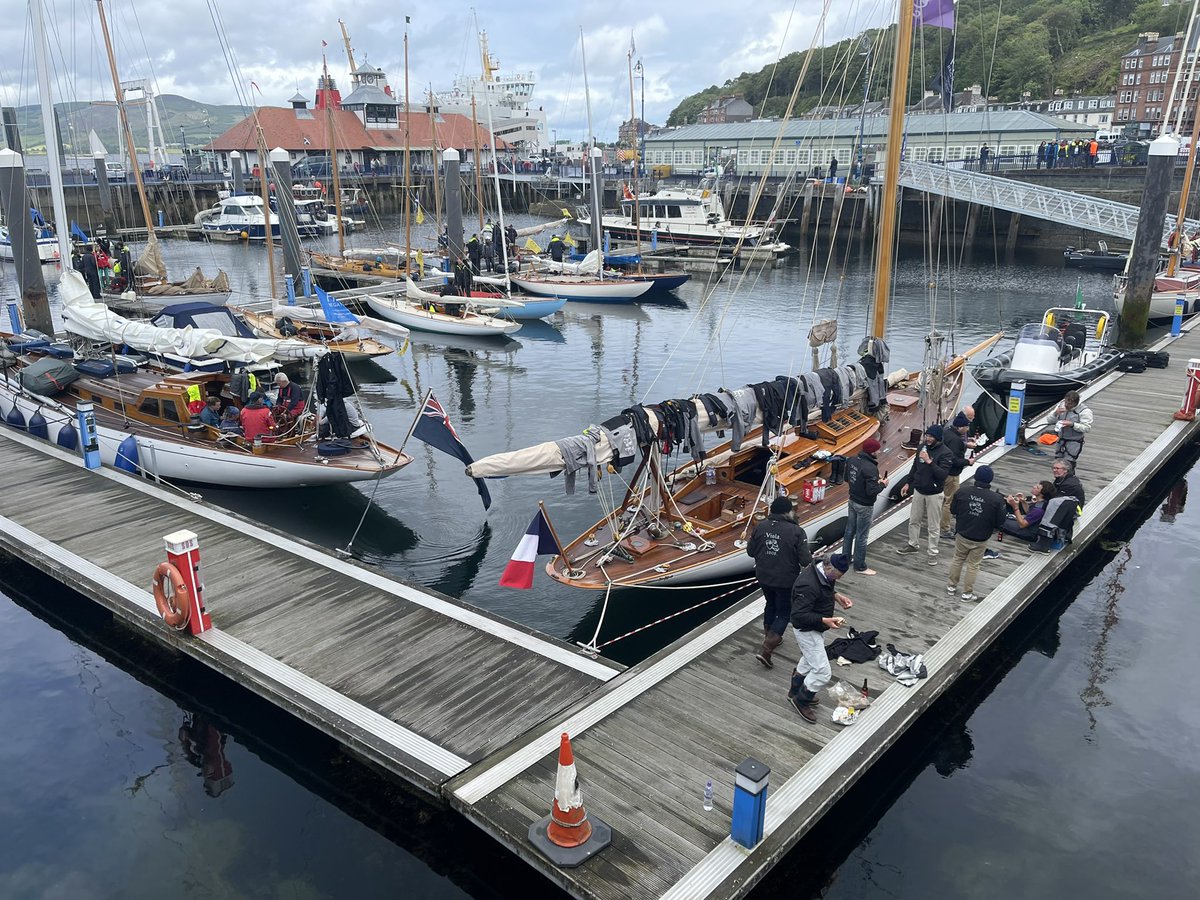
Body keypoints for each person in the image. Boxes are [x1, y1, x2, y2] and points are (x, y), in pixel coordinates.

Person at [786, 554, 853, 723]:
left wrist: (837, 596)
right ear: (829, 567)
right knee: (823, 672)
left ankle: (795, 690)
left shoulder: (822, 572)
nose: (838, 578)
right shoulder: (807, 584)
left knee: (809, 660)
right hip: (807, 630)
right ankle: (801, 700)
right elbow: (798, 615)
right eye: (838, 576)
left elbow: (827, 586)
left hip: (816, 628)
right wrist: (824, 620)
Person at [747, 497, 812, 668]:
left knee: (770, 604)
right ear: (788, 512)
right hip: (785, 579)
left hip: (764, 576)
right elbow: (805, 560)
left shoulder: (760, 526)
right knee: (784, 612)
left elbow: (750, 551)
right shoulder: (796, 531)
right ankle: (767, 649)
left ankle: (769, 634)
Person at [945, 466, 1007, 602]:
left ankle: (951, 586)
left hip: (962, 533)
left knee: (958, 559)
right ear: (990, 480)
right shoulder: (997, 499)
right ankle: (967, 593)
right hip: (981, 537)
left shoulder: (962, 491)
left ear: (975, 477)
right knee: (973, 565)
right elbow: (1000, 521)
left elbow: (953, 509)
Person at [898, 424, 954, 563]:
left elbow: (942, 475)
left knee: (933, 525)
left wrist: (929, 461)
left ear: (938, 438)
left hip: (934, 493)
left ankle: (932, 552)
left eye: (931, 436)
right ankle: (913, 544)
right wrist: (907, 483)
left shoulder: (946, 453)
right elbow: (915, 467)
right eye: (927, 436)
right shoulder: (921, 448)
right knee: (914, 520)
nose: (927, 439)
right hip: (918, 490)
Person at [843, 437, 887, 575]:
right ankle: (860, 566)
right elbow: (871, 491)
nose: (879, 452)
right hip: (864, 505)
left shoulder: (851, 460)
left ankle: (845, 559)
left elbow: (846, 478)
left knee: (849, 532)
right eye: (877, 450)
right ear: (872, 452)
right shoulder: (871, 468)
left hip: (852, 501)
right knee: (862, 536)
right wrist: (882, 484)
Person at [939, 411, 971, 538]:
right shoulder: (956, 440)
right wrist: (968, 461)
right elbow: (954, 461)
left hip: (941, 471)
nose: (968, 429)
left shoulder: (946, 432)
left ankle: (938, 523)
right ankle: (945, 529)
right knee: (949, 502)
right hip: (951, 475)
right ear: (960, 427)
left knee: (941, 500)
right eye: (967, 427)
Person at [1053, 390, 1093, 463]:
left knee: (1069, 464)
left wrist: (1072, 424)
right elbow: (1049, 420)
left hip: (1074, 442)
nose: (1066, 405)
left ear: (1076, 403)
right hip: (1060, 440)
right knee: (1057, 463)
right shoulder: (1061, 406)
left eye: (1070, 404)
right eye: (1066, 402)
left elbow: (1087, 428)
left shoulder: (1084, 411)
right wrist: (1055, 414)